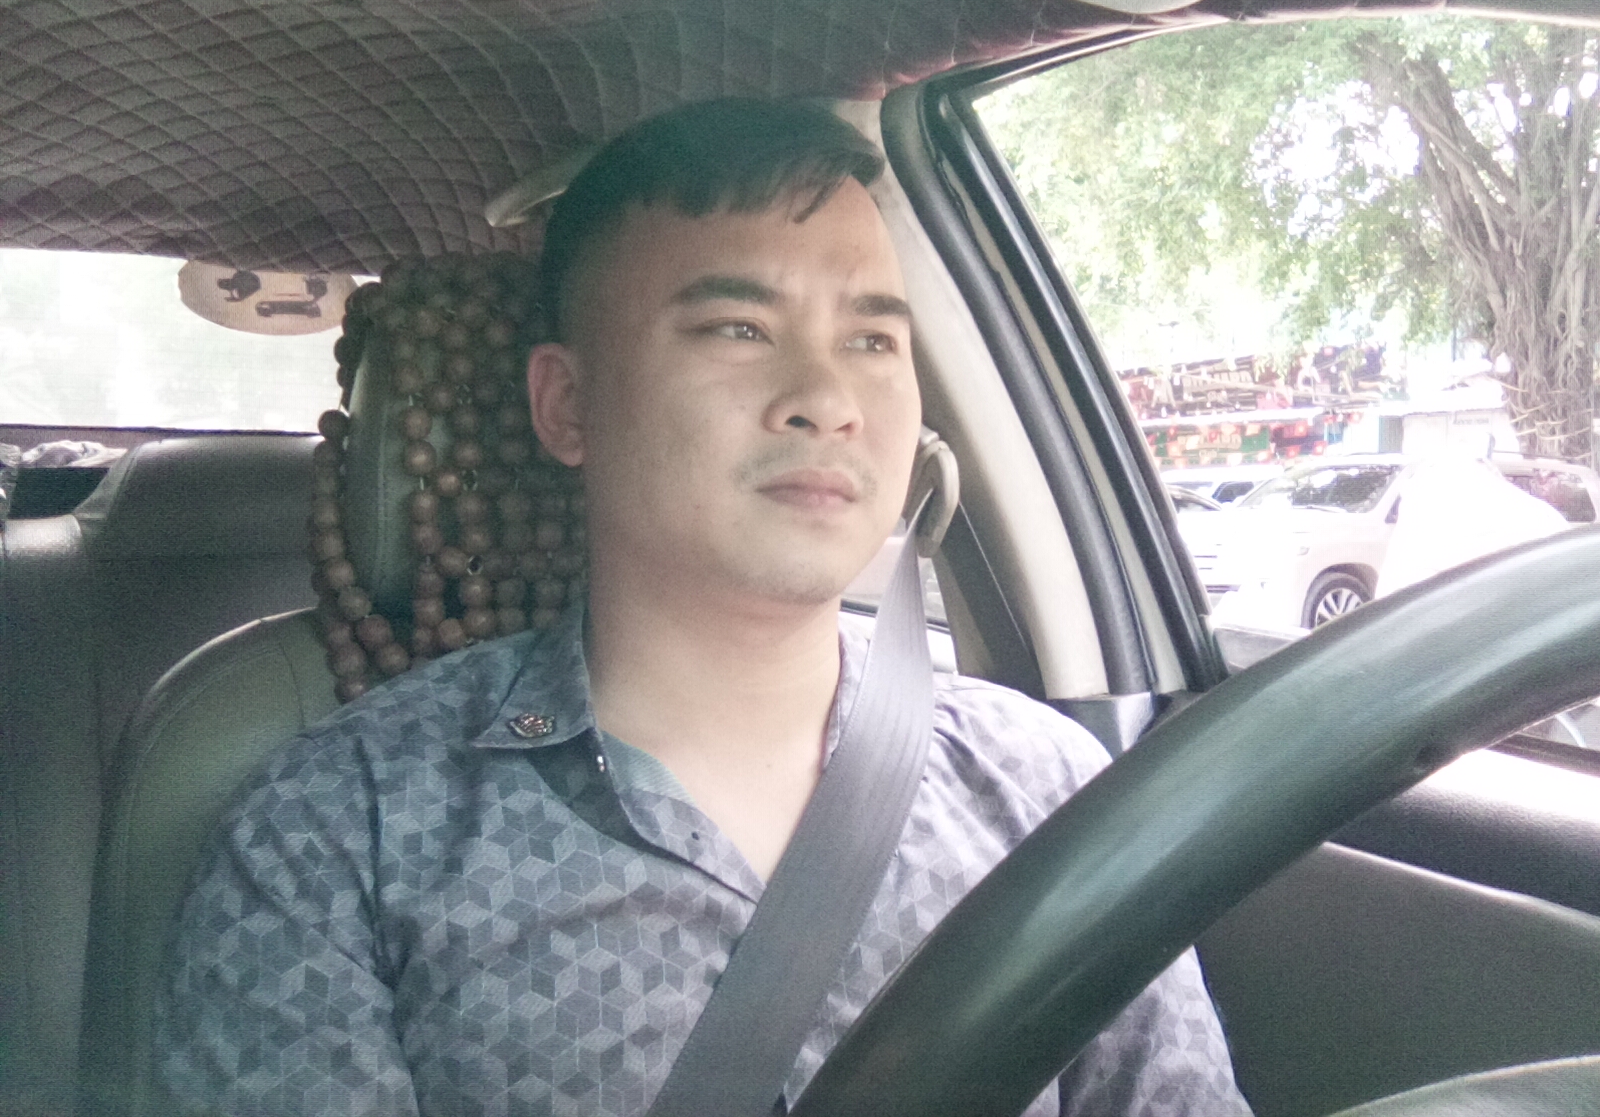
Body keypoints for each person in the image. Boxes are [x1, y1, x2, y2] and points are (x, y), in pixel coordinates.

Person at [158, 99, 1251, 1116]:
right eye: (738, 328)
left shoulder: (1046, 789)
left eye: (872, 340)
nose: (827, 400)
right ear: (567, 404)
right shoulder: (338, 834)